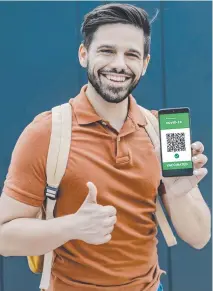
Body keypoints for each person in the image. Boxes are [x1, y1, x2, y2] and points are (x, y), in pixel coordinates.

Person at [0, 3, 211, 291]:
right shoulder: (46, 132)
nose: (119, 65)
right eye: (107, 51)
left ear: (145, 64)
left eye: (132, 54)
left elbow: (200, 237)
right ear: (84, 54)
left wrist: (176, 193)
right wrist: (72, 227)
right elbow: (3, 236)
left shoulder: (162, 132)